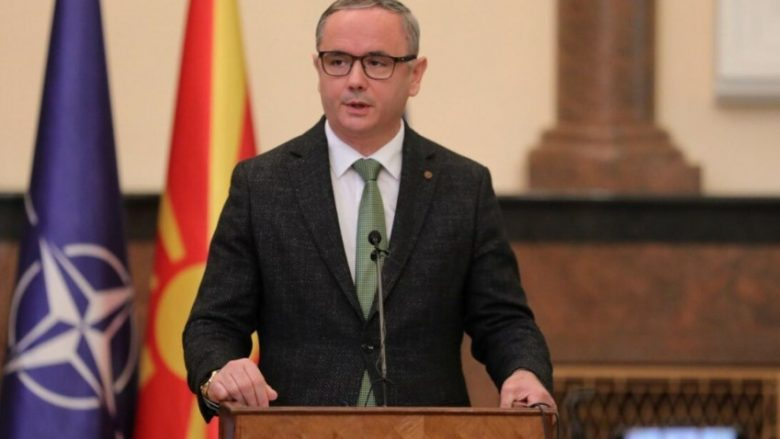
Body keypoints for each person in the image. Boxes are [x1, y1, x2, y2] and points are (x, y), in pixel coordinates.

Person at [183, 0, 555, 420]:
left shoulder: (462, 186)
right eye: (338, 62)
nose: (355, 80)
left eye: (377, 62)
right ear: (318, 69)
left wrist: (524, 371)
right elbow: (213, 323)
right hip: (297, 429)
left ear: (415, 74)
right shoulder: (263, 184)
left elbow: (503, 320)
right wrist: (220, 370)